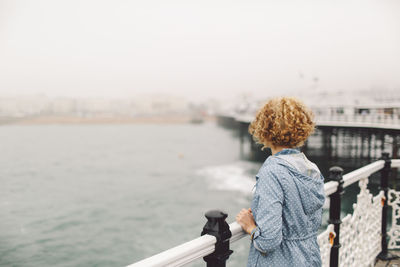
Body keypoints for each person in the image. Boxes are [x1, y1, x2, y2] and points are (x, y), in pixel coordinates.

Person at [236, 97, 325, 267]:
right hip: (309, 257)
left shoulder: (273, 172)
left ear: (265, 129)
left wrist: (250, 226)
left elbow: (268, 241)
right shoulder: (312, 168)